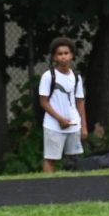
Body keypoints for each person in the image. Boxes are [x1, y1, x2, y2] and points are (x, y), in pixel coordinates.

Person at [39, 36, 88, 173]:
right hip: (53, 125)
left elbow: (80, 102)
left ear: (72, 55)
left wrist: (83, 126)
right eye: (59, 54)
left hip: (73, 125)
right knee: (50, 159)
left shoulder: (76, 77)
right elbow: (43, 102)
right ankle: (47, 188)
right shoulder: (48, 76)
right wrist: (59, 118)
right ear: (54, 57)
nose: (63, 57)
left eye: (66, 53)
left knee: (74, 159)